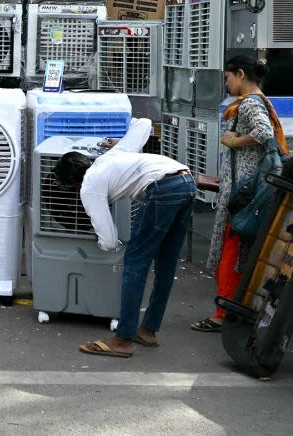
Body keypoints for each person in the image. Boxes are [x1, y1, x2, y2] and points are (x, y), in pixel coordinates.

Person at [64, 118, 196, 359]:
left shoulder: (88, 185)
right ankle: (148, 330)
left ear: (72, 183)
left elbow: (109, 239)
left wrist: (99, 244)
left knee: (135, 263)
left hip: (162, 187)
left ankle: (123, 339)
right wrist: (125, 125)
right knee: (166, 264)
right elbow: (144, 124)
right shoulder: (111, 156)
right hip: (186, 180)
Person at [192, 54, 288, 333]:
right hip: (247, 189)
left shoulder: (249, 104)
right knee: (239, 254)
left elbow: (263, 132)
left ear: (241, 74)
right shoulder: (255, 102)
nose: (227, 84)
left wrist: (233, 140)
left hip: (243, 194)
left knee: (232, 254)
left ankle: (223, 314)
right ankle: (233, 309)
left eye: (228, 78)